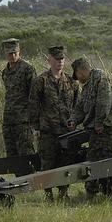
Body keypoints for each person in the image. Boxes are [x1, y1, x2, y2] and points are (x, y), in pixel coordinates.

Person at [29, 45, 80, 201]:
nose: (60, 62)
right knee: (48, 163)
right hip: (47, 131)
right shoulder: (41, 81)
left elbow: (77, 106)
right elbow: (33, 105)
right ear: (49, 60)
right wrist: (35, 127)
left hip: (66, 130)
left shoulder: (72, 82)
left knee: (65, 163)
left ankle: (63, 193)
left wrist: (75, 121)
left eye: (62, 59)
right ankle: (48, 194)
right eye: (56, 59)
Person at [70, 57, 112, 198]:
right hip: (97, 128)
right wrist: (73, 120)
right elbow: (81, 107)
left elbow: (104, 101)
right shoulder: (87, 86)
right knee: (93, 159)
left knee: (106, 159)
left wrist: (99, 122)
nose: (78, 79)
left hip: (106, 126)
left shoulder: (99, 77)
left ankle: (110, 193)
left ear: (81, 71)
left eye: (77, 75)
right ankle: (94, 192)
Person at [0, 38, 36, 157]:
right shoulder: (5, 72)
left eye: (15, 52)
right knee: (11, 156)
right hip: (9, 120)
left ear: (19, 51)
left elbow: (34, 95)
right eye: (10, 53)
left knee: (26, 155)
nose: (13, 55)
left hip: (23, 121)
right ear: (5, 54)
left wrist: (33, 120)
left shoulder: (27, 69)